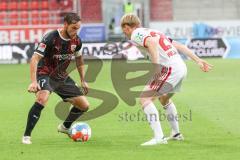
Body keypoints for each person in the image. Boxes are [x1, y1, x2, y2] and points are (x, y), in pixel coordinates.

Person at [120, 14, 213, 146]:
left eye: (123, 28)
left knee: (144, 99)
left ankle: (159, 138)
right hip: (180, 67)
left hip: (169, 68)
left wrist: (156, 66)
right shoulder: (154, 32)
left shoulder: (136, 33)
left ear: (127, 27)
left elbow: (151, 43)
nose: (123, 32)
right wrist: (197, 59)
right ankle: (176, 133)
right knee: (164, 98)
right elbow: (178, 45)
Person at [22, 12, 89, 144]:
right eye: (73, 28)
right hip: (45, 73)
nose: (76, 31)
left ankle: (65, 127)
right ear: (65, 25)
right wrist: (34, 82)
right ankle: (26, 136)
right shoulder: (50, 37)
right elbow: (35, 59)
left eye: (78, 28)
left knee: (84, 105)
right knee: (42, 98)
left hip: (61, 76)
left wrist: (83, 80)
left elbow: (79, 60)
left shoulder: (77, 41)